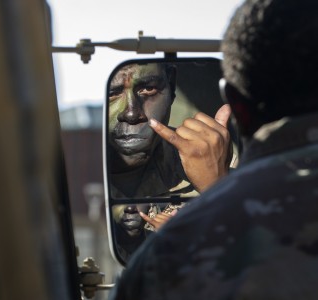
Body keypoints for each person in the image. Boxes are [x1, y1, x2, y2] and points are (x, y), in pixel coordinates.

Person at [109, 0, 318, 299]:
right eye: (115, 93)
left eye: (148, 89)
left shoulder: (168, 258)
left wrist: (219, 191)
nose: (131, 113)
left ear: (236, 106)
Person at [108, 62, 232, 199]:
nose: (131, 114)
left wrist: (216, 187)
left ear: (171, 86)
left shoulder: (213, 159)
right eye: (112, 94)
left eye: (149, 89)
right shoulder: (81, 173)